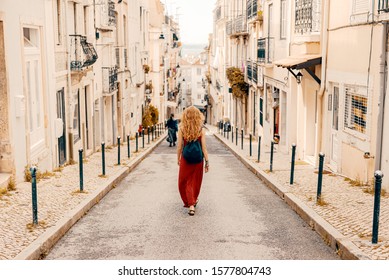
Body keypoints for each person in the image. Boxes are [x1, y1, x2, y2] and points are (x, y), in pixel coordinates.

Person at [177, 106, 209, 216]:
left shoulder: (181, 129)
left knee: (184, 181)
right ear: (197, 116)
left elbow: (179, 146)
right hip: (198, 160)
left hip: (186, 159)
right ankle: (193, 200)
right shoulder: (201, 130)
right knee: (195, 181)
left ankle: (190, 204)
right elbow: (204, 147)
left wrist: (178, 158)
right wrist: (207, 161)